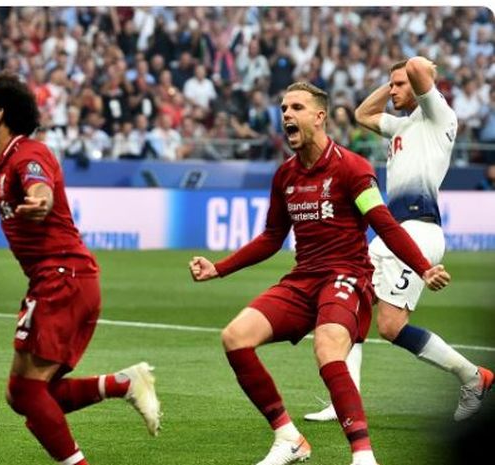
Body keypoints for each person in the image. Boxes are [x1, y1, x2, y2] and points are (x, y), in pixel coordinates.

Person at [188, 81, 451, 465]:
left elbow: (386, 225)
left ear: (319, 116)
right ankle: (288, 438)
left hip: (347, 277)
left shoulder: (353, 169)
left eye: (296, 107)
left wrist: (423, 268)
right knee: (235, 338)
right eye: (283, 109)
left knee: (327, 348)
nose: (286, 115)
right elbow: (272, 237)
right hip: (303, 279)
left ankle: (363, 456)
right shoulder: (285, 176)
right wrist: (219, 269)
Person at [0, 73, 161, 465]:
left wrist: (40, 201)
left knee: (28, 395)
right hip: (58, 280)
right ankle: (122, 383)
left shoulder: (27, 154)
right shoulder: (5, 163)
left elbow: (41, 189)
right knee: (21, 394)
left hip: (62, 279)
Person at [305, 57, 493, 423]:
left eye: (399, 85)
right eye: (390, 85)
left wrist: (411, 74)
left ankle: (473, 376)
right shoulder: (401, 126)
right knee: (350, 299)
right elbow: (361, 114)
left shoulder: (439, 115)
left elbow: (422, 66)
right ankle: (346, 399)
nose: (392, 91)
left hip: (417, 231)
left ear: (420, 85)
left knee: (389, 326)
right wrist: (391, 84)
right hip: (395, 232)